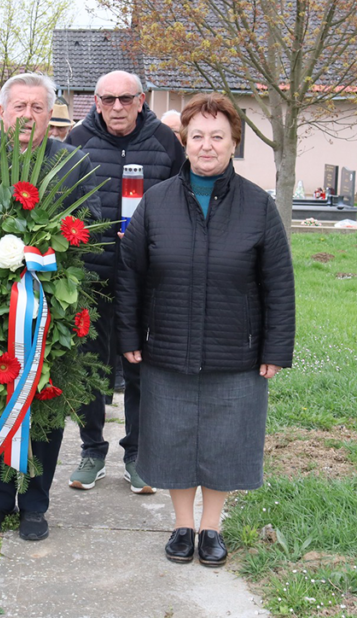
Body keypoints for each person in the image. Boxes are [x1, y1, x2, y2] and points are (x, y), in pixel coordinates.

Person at [116, 93, 295, 566]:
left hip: (237, 352)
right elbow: (130, 275)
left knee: (224, 440)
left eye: (218, 136)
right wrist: (129, 336)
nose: (207, 145)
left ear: (234, 142)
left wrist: (275, 347)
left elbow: (278, 282)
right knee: (173, 436)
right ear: (184, 142)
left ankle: (211, 527)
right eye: (197, 136)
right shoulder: (156, 202)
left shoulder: (258, 206)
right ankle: (182, 526)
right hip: (167, 347)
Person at [0, 73, 101, 541]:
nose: (27, 115)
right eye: (18, 106)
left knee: (44, 402)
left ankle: (36, 505)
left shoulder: (74, 163)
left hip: (51, 310)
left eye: (37, 107)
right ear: (1, 112)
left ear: (50, 113)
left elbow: (89, 230)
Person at [64, 70, 185, 494]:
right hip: (91, 276)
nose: (117, 107)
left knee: (140, 369)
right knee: (90, 367)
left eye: (126, 99)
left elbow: (182, 201)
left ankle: (137, 455)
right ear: (96, 102)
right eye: (108, 99)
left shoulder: (166, 142)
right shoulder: (77, 141)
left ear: (141, 100)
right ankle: (92, 451)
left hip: (146, 280)